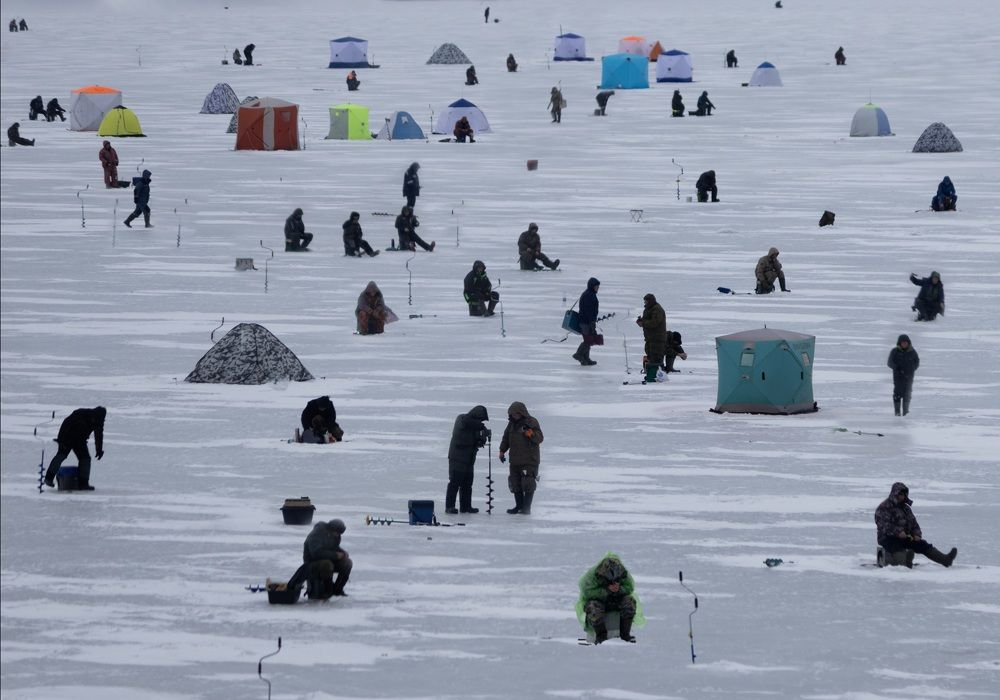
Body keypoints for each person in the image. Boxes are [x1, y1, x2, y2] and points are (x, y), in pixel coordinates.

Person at [875, 483, 957, 568]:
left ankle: (945, 560)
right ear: (894, 494)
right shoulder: (884, 507)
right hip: (887, 538)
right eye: (900, 494)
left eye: (904, 494)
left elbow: (914, 523)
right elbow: (883, 524)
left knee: (922, 545)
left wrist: (917, 534)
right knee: (897, 548)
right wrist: (898, 532)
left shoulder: (906, 508)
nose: (902, 496)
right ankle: (905, 562)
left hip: (905, 537)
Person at [575, 554, 643, 644]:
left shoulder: (623, 573)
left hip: (617, 600)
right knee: (592, 607)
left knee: (629, 602)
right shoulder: (592, 577)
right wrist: (606, 591)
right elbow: (587, 592)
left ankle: (625, 634)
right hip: (599, 601)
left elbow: (629, 587)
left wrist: (619, 589)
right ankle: (601, 635)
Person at [286, 519, 352, 599]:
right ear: (331, 529)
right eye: (337, 533)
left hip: (327, 559)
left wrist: (342, 552)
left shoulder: (335, 536)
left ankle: (337, 590)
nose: (338, 535)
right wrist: (335, 555)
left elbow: (334, 547)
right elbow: (316, 553)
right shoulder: (317, 533)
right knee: (327, 564)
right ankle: (328, 590)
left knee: (347, 563)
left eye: (339, 534)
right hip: (311, 562)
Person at [43, 406, 106, 490]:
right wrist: (62, 440)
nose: (98, 421)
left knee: (85, 459)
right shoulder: (81, 413)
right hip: (66, 437)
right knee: (61, 455)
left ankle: (83, 484)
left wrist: (99, 450)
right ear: (94, 413)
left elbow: (98, 435)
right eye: (96, 418)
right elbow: (66, 423)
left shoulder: (99, 420)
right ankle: (48, 478)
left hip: (80, 440)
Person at [499, 401, 543, 515]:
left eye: (516, 413)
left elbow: (540, 438)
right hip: (515, 460)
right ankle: (518, 506)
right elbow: (506, 438)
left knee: (528, 483)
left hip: (529, 460)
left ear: (522, 413)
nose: (514, 416)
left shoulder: (532, 421)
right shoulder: (511, 424)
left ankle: (526, 508)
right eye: (512, 414)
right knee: (515, 484)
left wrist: (531, 435)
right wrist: (502, 451)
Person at [445, 405, 490, 514]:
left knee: (467, 484)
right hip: (457, 458)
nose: (480, 422)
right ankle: (449, 506)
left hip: (469, 459)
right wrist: (480, 426)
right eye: (480, 419)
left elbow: (478, 440)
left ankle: (466, 507)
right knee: (455, 482)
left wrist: (482, 437)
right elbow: (466, 423)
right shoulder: (462, 419)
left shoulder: (475, 427)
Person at [636, 293, 667, 384]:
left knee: (656, 357)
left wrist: (643, 323)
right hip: (650, 338)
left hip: (657, 339)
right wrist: (641, 321)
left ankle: (657, 377)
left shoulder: (657, 309)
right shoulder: (649, 309)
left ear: (650, 301)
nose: (645, 303)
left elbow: (654, 322)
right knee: (650, 356)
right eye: (644, 301)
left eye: (646, 301)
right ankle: (652, 375)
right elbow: (648, 319)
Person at [887, 334, 919, 416]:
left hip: (909, 377)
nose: (904, 344)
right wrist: (896, 368)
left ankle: (906, 413)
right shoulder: (894, 351)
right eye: (902, 343)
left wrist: (912, 369)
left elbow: (917, 362)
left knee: (907, 394)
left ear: (908, 343)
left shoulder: (912, 351)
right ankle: (897, 412)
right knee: (897, 393)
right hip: (898, 377)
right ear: (899, 343)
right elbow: (889, 363)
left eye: (906, 342)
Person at [573, 277, 600, 366]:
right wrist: (592, 322)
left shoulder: (590, 294)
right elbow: (588, 310)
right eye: (596, 286)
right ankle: (578, 355)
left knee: (589, 339)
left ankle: (586, 358)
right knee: (588, 340)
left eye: (598, 286)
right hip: (586, 321)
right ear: (592, 286)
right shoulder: (589, 295)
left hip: (587, 321)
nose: (597, 288)